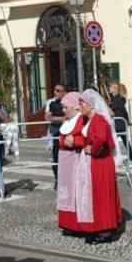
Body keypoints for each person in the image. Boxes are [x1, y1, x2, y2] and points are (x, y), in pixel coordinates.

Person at [62, 90, 124, 244]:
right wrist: (80, 144)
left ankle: (106, 230)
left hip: (101, 162)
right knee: (95, 195)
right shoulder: (89, 119)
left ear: (90, 105)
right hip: (93, 162)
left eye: (82, 103)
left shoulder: (99, 119)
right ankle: (98, 227)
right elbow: (86, 138)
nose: (80, 106)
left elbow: (102, 138)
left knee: (102, 195)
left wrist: (93, 149)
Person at [56, 92, 83, 234]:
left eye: (66, 107)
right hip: (65, 161)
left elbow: (84, 138)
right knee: (65, 191)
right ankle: (67, 224)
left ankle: (76, 224)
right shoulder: (68, 121)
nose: (63, 110)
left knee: (75, 192)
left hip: (75, 160)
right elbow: (62, 138)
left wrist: (74, 141)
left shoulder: (80, 120)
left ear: (74, 106)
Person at [43, 83, 66, 188]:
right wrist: (61, 119)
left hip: (66, 132)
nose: (55, 92)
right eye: (55, 90)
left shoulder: (68, 101)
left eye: (58, 90)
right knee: (56, 157)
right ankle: (57, 180)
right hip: (55, 132)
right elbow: (48, 117)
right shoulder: (51, 102)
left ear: (64, 93)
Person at [107, 82, 132, 163]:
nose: (109, 89)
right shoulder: (115, 98)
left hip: (120, 124)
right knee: (124, 141)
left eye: (111, 87)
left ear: (114, 89)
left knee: (112, 140)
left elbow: (123, 110)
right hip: (118, 123)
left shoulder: (118, 99)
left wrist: (127, 118)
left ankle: (131, 159)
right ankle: (131, 158)